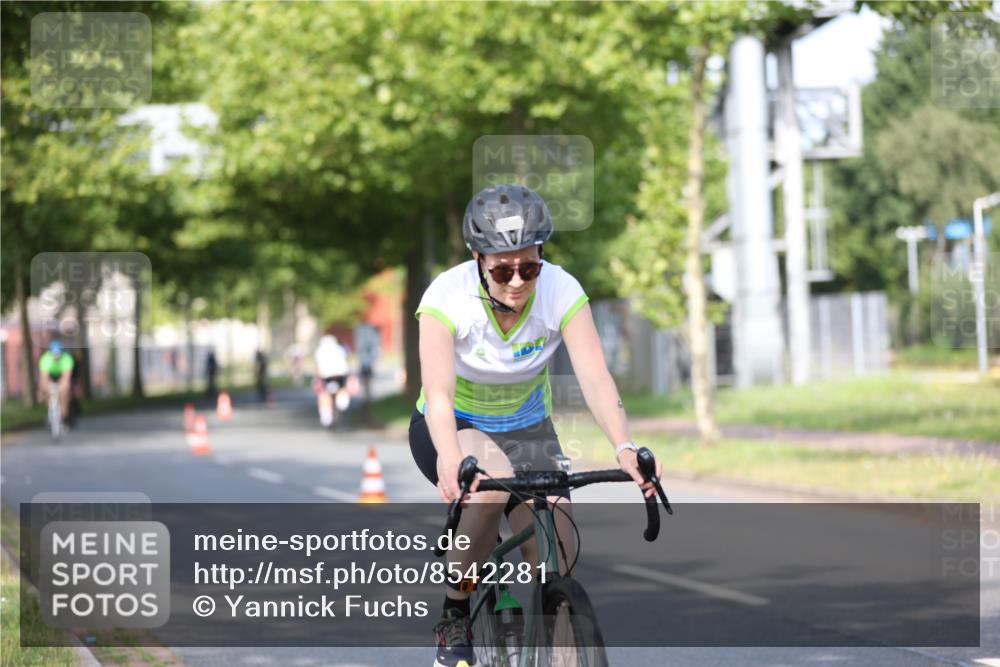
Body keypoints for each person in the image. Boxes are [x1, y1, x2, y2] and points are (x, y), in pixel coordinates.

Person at [409, 184, 662, 667]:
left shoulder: (560, 289)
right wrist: (448, 456)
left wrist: (624, 447)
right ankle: (455, 611)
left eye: (529, 267)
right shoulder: (447, 296)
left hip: (527, 428)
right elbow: (438, 396)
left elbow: (594, 374)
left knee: (559, 559)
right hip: (452, 425)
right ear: (478, 259)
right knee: (489, 490)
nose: (518, 282)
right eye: (502, 270)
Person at [314, 334, 350, 425]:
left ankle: (326, 415)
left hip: (326, 376)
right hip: (340, 375)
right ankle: (342, 404)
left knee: (324, 394)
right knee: (342, 389)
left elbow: (318, 367)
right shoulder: (340, 349)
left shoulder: (319, 351)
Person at [38, 341, 74, 423]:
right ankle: (50, 409)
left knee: (64, 392)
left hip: (61, 375)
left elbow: (66, 377)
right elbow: (43, 378)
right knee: (46, 390)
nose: (56, 356)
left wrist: (64, 387)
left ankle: (64, 415)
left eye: (58, 354)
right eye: (54, 354)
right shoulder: (45, 359)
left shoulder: (67, 359)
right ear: (51, 353)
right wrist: (42, 390)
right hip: (51, 376)